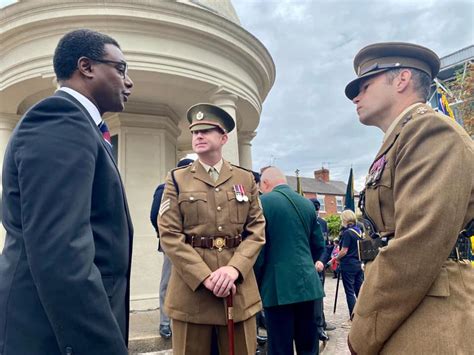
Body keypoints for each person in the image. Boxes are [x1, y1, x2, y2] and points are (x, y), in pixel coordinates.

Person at [0, 29, 134, 354]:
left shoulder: (82, 128)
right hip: (49, 333)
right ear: (86, 67)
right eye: (120, 69)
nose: (129, 82)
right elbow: (62, 253)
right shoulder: (60, 119)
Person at [345, 42, 474, 354]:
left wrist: (363, 329)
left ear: (401, 79)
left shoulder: (430, 131)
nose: (355, 97)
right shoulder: (402, 137)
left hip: (431, 313)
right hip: (411, 305)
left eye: (365, 85)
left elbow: (418, 244)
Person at [158, 103, 266, 355]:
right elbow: (170, 235)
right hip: (191, 293)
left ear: (224, 137)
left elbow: (257, 230)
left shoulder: (245, 179)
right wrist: (205, 276)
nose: (199, 136)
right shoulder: (176, 179)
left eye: (207, 131)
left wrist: (234, 268)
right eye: (195, 132)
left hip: (237, 291)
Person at [254, 166, 324, 355]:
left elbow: (257, 249)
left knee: (279, 348)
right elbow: (318, 245)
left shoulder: (262, 203)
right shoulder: (307, 204)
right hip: (308, 285)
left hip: (276, 287)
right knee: (309, 347)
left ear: (265, 183)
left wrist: (256, 282)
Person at [150, 158, 194, 339]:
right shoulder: (165, 188)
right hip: (172, 244)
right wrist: (165, 237)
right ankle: (165, 322)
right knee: (168, 283)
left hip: (192, 244)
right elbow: (155, 216)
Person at [331, 210, 363, 318]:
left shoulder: (347, 233)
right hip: (358, 263)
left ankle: (353, 317)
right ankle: (363, 314)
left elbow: (344, 250)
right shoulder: (359, 230)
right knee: (359, 290)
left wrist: (336, 258)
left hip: (348, 264)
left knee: (349, 291)